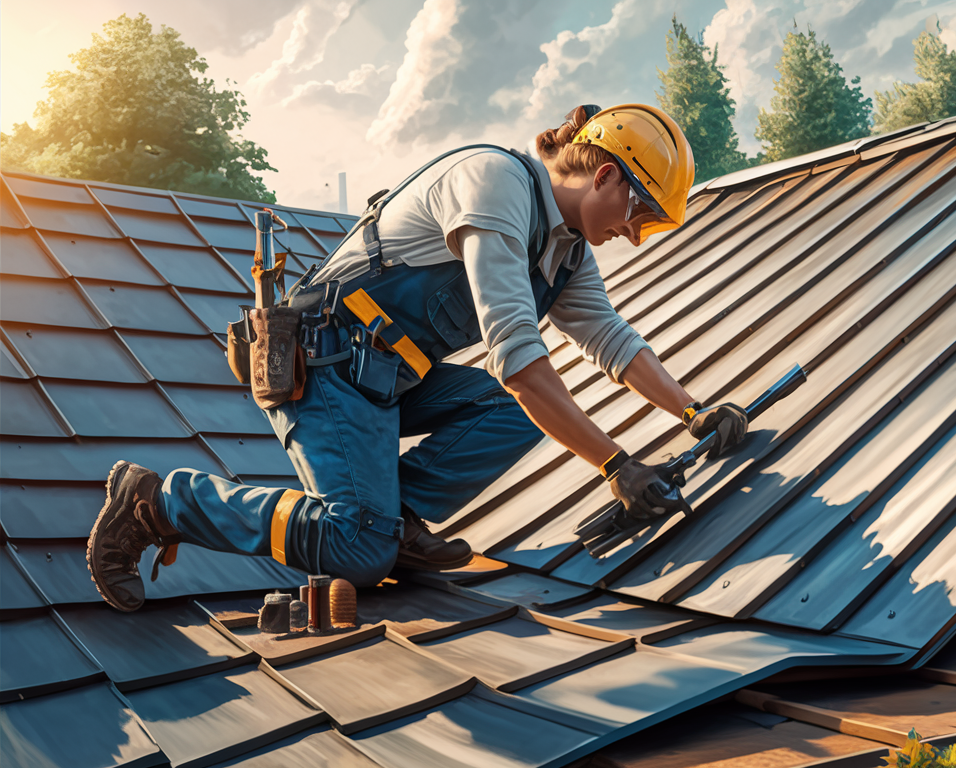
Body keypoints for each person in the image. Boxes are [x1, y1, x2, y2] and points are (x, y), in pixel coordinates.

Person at [87, 104, 750, 612]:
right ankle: (161, 502)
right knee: (357, 549)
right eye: (642, 212)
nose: (635, 235)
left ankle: (393, 521)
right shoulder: (496, 187)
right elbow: (519, 360)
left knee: (514, 417)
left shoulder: (565, 249)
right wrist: (616, 464)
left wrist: (693, 413)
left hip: (386, 379)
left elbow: (610, 339)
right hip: (325, 366)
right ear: (606, 174)